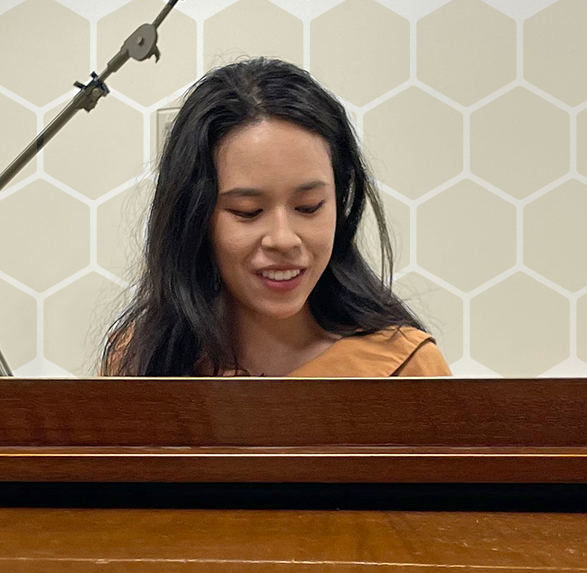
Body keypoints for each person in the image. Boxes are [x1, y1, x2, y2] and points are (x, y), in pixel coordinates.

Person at [101, 58, 449, 377]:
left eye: (309, 206)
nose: (283, 239)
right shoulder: (141, 360)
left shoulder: (405, 369)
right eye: (247, 212)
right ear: (194, 217)